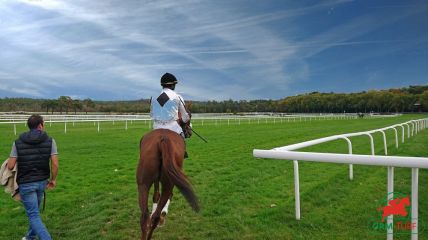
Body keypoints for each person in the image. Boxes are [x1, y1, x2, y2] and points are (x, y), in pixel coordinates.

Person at [7, 114, 59, 240]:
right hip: (42, 182)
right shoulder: (50, 140)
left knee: (33, 214)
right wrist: (53, 180)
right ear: (41, 125)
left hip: (26, 183)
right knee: (34, 213)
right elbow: (55, 164)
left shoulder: (17, 142)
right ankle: (30, 236)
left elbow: (10, 166)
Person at [150, 72, 191, 148]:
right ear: (172, 85)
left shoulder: (153, 97)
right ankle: (183, 153)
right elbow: (186, 117)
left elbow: (152, 115)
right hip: (173, 128)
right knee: (182, 141)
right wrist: (181, 121)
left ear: (162, 85)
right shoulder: (177, 96)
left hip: (156, 128)